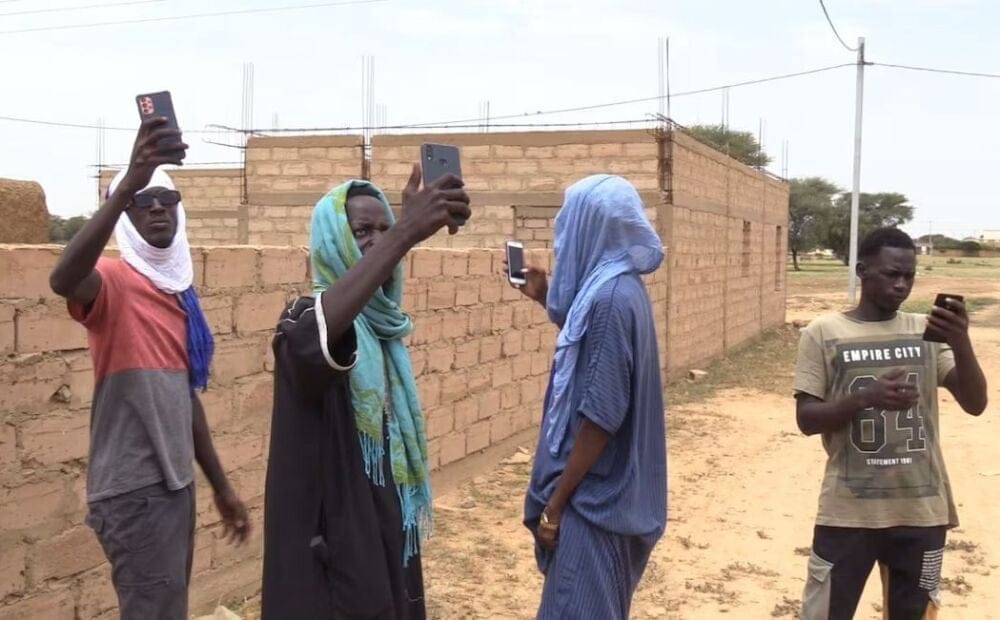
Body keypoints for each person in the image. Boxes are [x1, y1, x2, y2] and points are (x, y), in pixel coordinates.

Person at [48, 117, 250, 619]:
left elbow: (184, 399)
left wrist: (221, 488)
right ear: (126, 216)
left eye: (167, 199)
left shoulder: (178, 294)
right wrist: (126, 186)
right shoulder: (113, 282)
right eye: (143, 202)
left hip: (173, 486)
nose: (157, 207)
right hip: (134, 489)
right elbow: (64, 278)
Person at [261, 168, 470, 619]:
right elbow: (316, 340)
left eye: (383, 229)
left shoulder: (384, 330)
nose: (376, 240)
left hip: (384, 533)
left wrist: (403, 234)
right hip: (331, 555)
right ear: (332, 240)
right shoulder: (304, 319)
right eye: (360, 232)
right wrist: (404, 233)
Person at [794, 227, 988, 619]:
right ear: (862, 271)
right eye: (891, 274)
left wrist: (961, 341)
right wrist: (865, 398)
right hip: (847, 511)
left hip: (922, 512)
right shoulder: (823, 332)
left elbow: (975, 403)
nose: (901, 284)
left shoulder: (926, 333)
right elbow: (806, 419)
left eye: (909, 275)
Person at [510, 174, 667, 619]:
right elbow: (594, 351)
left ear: (588, 227)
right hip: (614, 499)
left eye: (568, 222)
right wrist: (545, 296)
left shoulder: (610, 299)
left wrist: (555, 505)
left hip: (596, 503)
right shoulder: (619, 285)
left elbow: (601, 415)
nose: (563, 234)